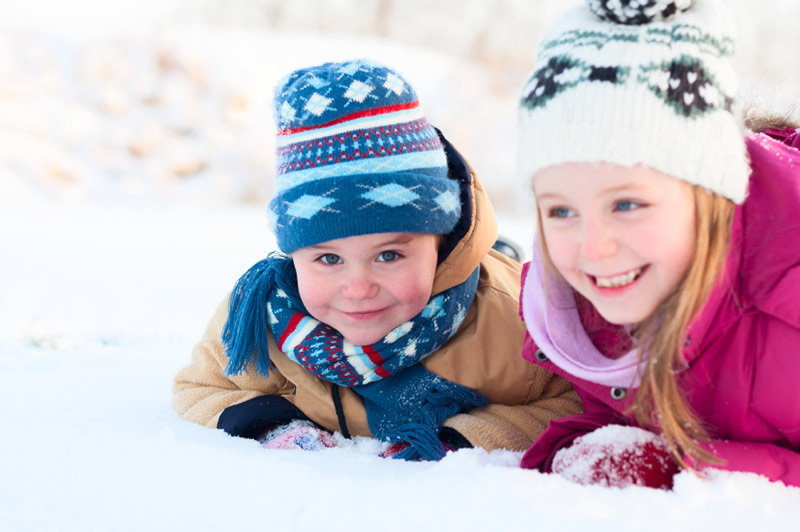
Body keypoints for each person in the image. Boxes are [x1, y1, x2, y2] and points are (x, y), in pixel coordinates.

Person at [173, 59, 581, 460]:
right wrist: (275, 424)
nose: (358, 288)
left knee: (501, 261)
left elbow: (570, 402)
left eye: (388, 255)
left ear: (439, 242)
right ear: (293, 253)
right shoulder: (262, 318)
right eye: (328, 259)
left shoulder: (511, 321)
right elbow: (200, 388)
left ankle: (498, 251)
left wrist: (460, 437)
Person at [516, 0, 800, 488]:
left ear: (708, 192)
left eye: (626, 205)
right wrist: (588, 447)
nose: (594, 249)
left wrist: (690, 467)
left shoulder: (785, 303)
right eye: (561, 211)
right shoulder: (582, 310)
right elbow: (620, 414)